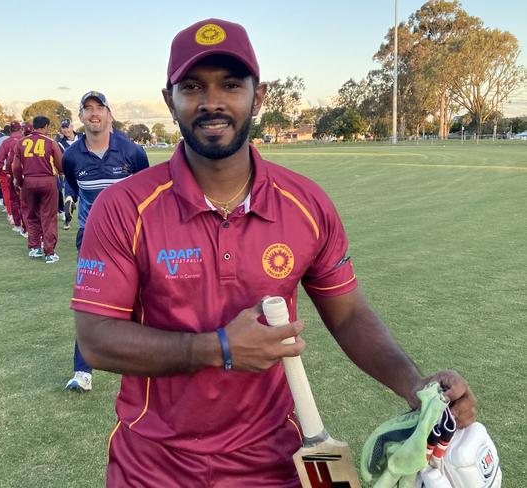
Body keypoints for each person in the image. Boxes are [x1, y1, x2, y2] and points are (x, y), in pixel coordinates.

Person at [70, 19, 477, 487]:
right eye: (192, 86)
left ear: (257, 97)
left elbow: (346, 314)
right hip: (153, 461)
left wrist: (414, 384)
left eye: (231, 85)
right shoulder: (123, 207)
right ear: (170, 100)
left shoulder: (305, 203)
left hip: (274, 457)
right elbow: (95, 339)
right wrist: (215, 349)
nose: (212, 102)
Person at [62, 90, 149, 392]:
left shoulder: (132, 152)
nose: (94, 113)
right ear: (81, 117)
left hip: (132, 240)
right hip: (91, 239)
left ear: (110, 115)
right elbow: (74, 187)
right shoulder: (71, 156)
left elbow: (148, 195)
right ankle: (82, 372)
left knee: (146, 300)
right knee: (91, 305)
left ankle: (151, 360)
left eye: (100, 108)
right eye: (88, 109)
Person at [12, 115, 63, 264]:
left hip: (28, 181)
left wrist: (20, 182)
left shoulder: (21, 143)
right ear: (46, 127)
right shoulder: (51, 142)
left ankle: (34, 247)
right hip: (47, 181)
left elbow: (15, 167)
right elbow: (60, 165)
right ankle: (49, 252)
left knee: (31, 215)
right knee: (48, 216)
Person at [0, 121, 25, 234]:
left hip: (11, 173)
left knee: (14, 200)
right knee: (26, 201)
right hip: (25, 173)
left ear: (10, 130)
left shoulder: (6, 142)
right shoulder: (26, 140)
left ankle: (18, 224)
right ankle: (27, 225)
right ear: (20, 129)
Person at [56, 118, 81, 230]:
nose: (65, 130)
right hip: (73, 173)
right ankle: (68, 216)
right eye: (63, 127)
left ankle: (67, 221)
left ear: (72, 127)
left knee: (71, 196)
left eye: (67, 127)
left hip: (81, 172)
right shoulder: (60, 144)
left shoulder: (83, 137)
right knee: (72, 199)